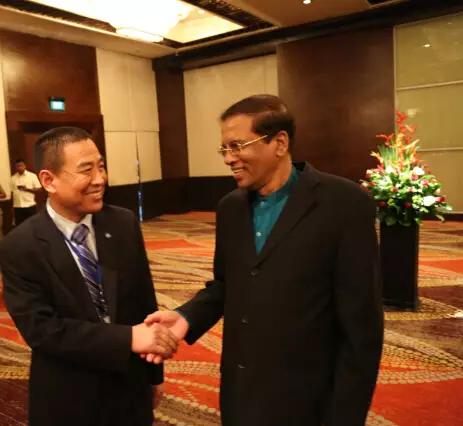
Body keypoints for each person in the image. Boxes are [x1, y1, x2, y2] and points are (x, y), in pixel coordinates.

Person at [144, 95, 384, 426]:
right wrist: (186, 317)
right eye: (224, 148)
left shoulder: (345, 204)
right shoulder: (230, 208)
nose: (228, 158)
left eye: (237, 146)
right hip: (241, 392)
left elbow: (362, 330)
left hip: (309, 399)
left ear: (280, 143)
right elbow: (227, 284)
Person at [0, 127, 178, 426]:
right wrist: (128, 338)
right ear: (48, 180)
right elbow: (42, 330)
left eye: (101, 166)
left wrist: (153, 375)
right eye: (86, 170)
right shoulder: (19, 247)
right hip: (69, 393)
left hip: (129, 385)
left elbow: (144, 301)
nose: (100, 179)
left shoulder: (122, 223)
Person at [10, 158, 41, 226]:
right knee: (20, 226)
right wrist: (12, 207)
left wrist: (27, 189)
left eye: (21, 165)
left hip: (29, 205)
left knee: (32, 225)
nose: (19, 167)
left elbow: (39, 189)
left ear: (25, 166)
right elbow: (12, 192)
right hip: (17, 206)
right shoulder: (13, 178)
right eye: (17, 166)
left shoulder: (32, 176)